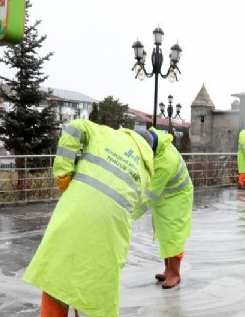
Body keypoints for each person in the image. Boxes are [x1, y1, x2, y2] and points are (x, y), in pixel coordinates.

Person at [23, 120, 156, 316]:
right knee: (99, 282)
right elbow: (136, 203)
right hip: (112, 228)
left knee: (59, 274)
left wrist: (63, 173)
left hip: (76, 211)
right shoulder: (145, 168)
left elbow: (74, 127)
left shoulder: (105, 133)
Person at [133, 129, 193, 289]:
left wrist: (130, 215)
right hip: (166, 195)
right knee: (164, 232)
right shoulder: (155, 142)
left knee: (173, 234)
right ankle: (167, 270)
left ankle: (175, 274)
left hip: (178, 197)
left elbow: (149, 195)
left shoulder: (166, 161)